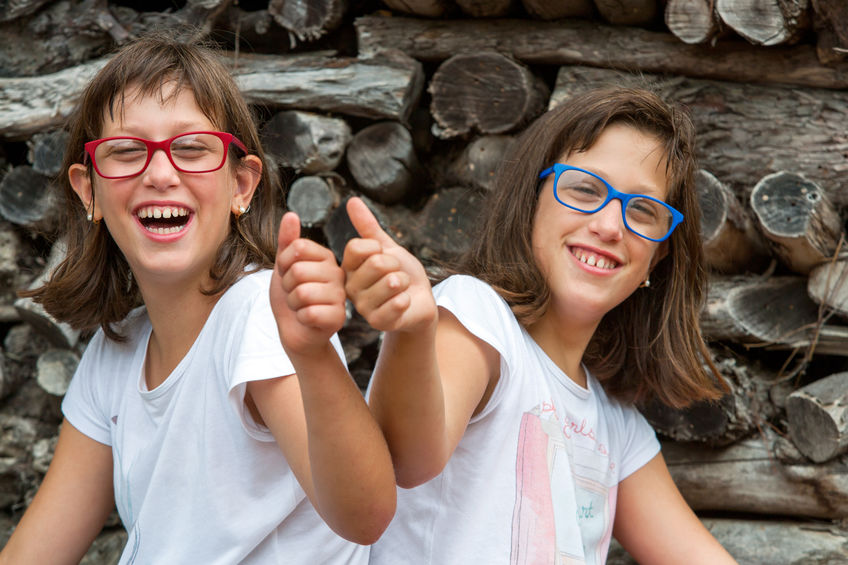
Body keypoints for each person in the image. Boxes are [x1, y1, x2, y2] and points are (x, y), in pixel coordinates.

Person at [0, 33, 395, 565]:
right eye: (125, 152)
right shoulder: (115, 354)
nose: (160, 174)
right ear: (88, 190)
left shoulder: (256, 314)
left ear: (242, 185)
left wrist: (311, 353)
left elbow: (366, 517)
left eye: (191, 149)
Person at [342, 87, 738, 564]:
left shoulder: (617, 427)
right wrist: (410, 332)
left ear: (659, 255)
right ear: (532, 198)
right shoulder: (476, 317)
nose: (611, 226)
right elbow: (406, 460)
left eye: (642, 210)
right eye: (586, 189)